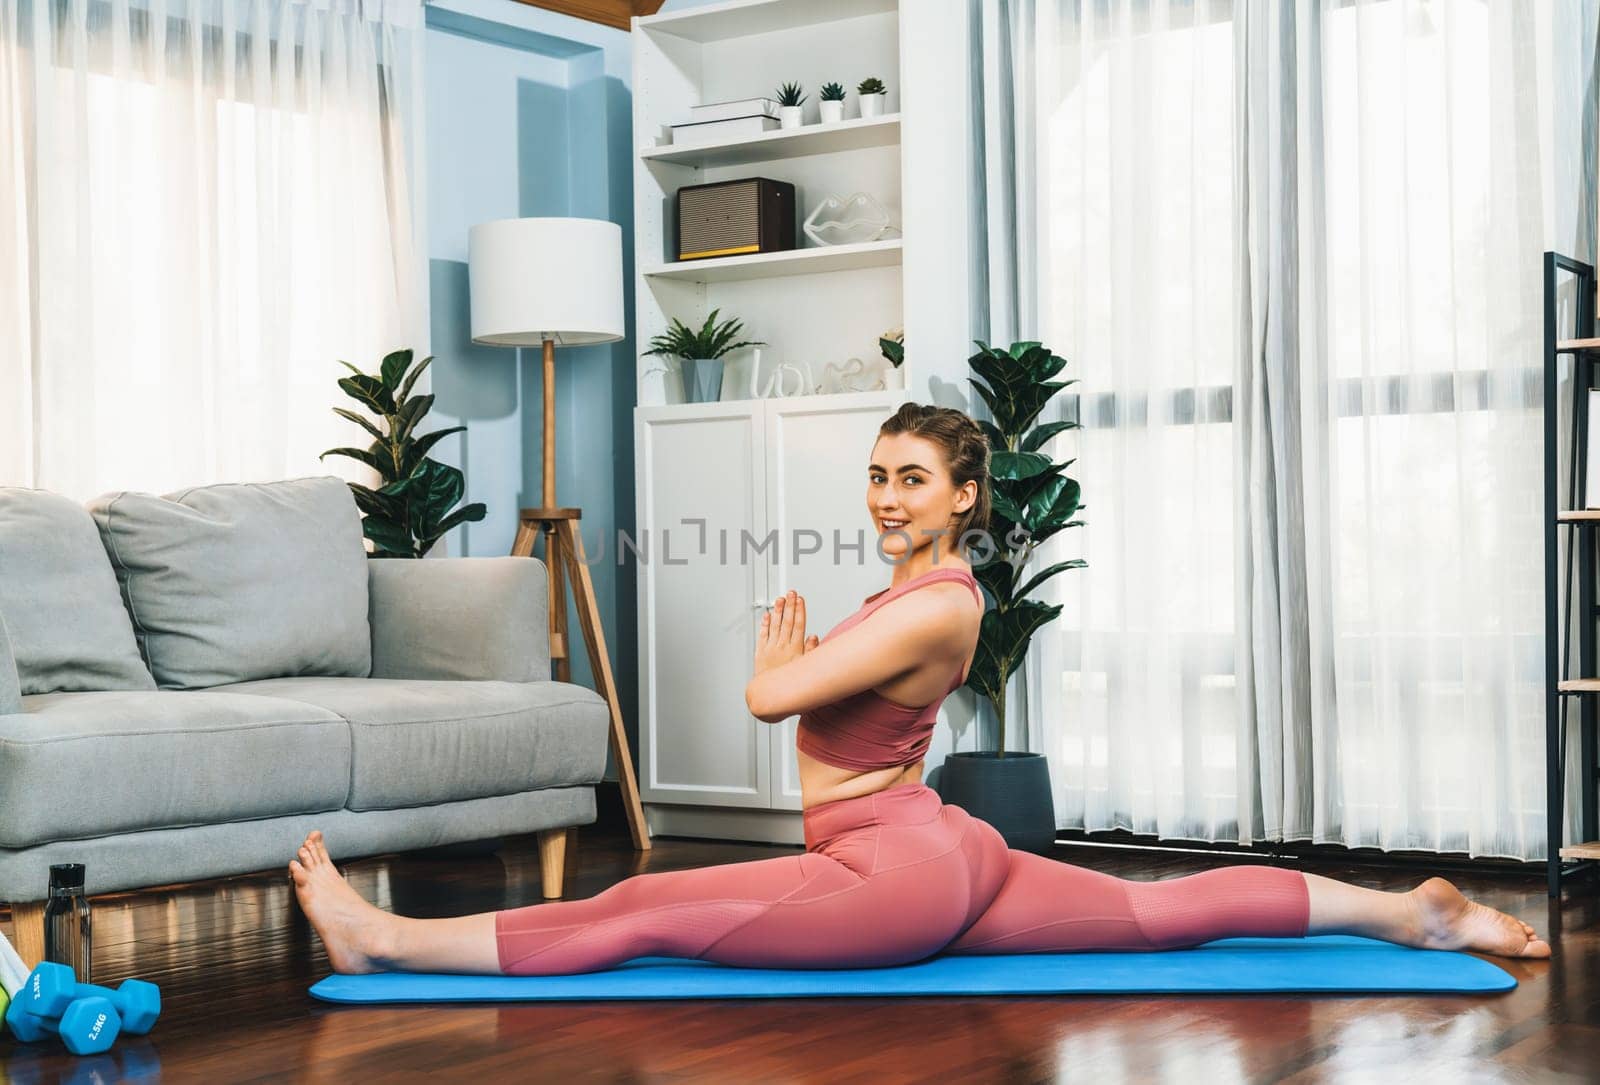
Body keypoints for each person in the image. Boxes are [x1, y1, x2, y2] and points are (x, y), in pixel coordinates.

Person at [288, 403, 1550, 975]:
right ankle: (1412, 916)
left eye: (911, 478)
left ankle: (385, 934)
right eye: (878, 473)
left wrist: (772, 662)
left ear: (962, 497)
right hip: (941, 848)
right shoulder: (921, 592)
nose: (887, 495)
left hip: (890, 873)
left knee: (653, 910)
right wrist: (788, 665)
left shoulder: (942, 601)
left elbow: (765, 704)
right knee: (1161, 915)